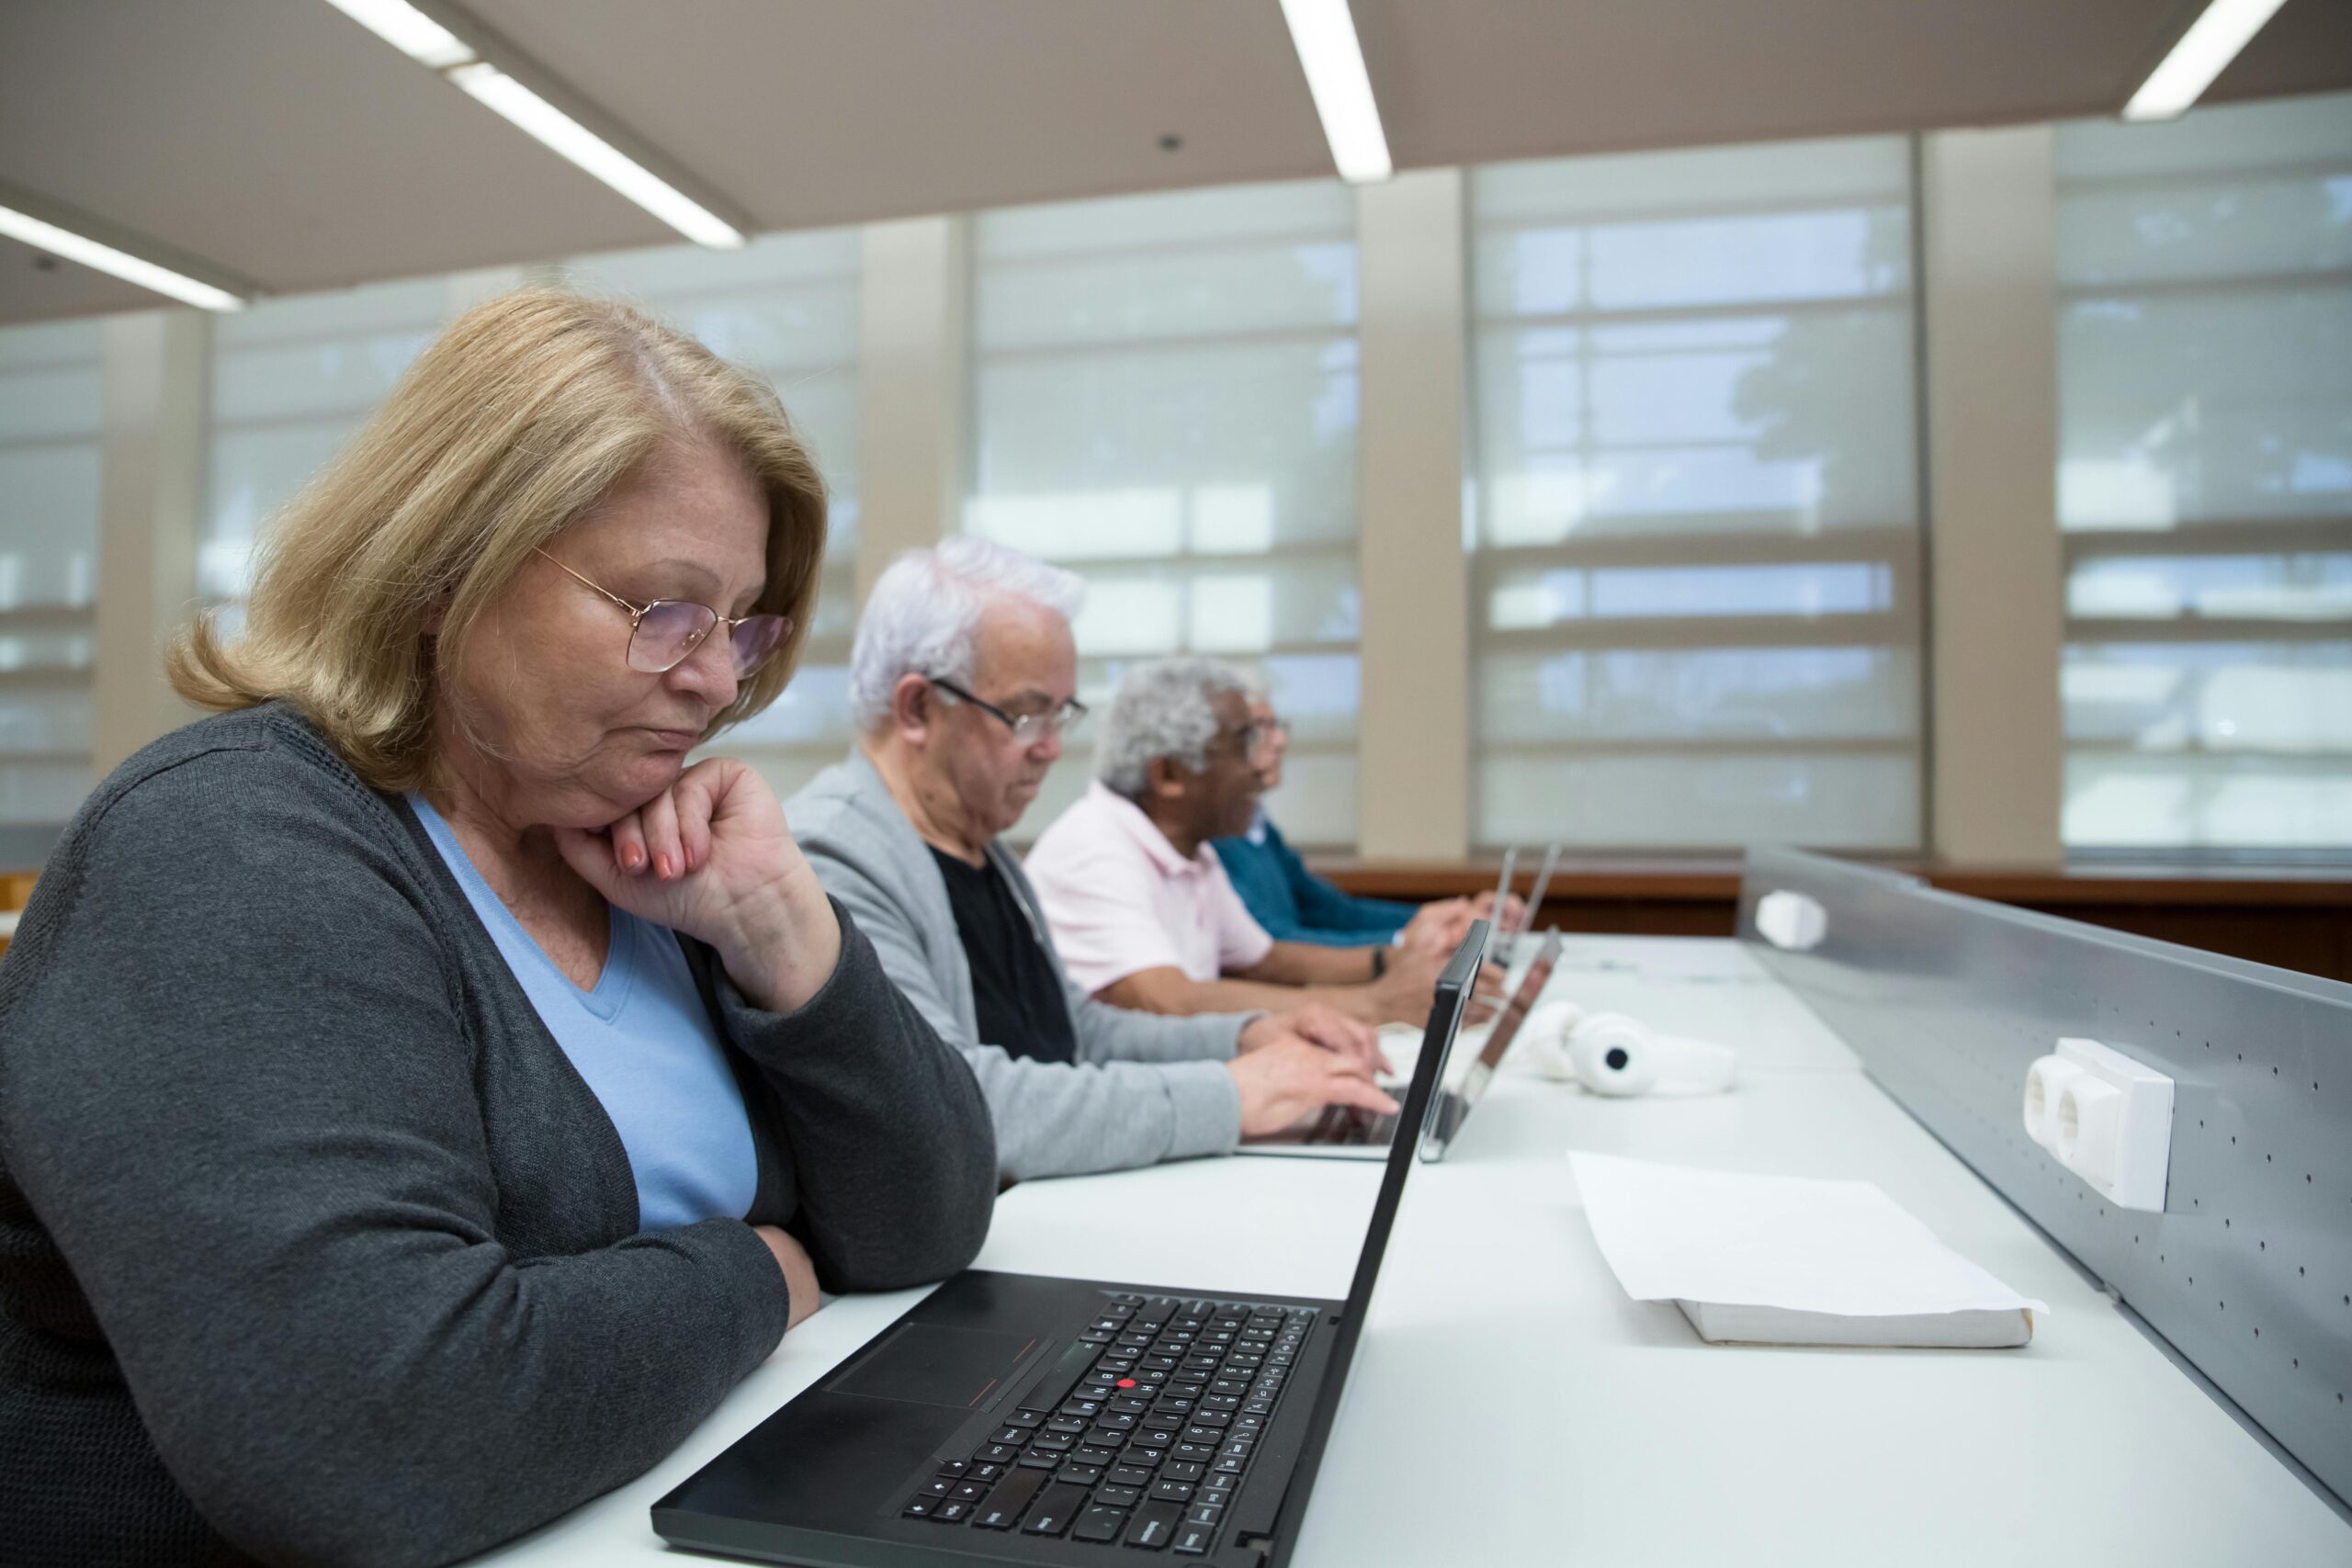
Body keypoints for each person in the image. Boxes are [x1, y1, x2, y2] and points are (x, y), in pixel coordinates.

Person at [0, 290, 995, 1567]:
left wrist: (781, 932)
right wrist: (756, 1276)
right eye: (662, 609)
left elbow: (927, 1215)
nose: (715, 679)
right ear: (439, 572)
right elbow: (366, 1434)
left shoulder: (645, 848)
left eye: (743, 624)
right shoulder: (226, 844)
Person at [788, 538, 1397, 1182]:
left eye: (1062, 714)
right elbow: (959, 1101)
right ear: (917, 708)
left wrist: (1244, 1037)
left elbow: (1076, 1032)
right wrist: (1231, 1093)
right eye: (1026, 714)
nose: (1052, 748)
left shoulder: (982, 847)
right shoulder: (834, 859)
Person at [1025, 658, 1502, 1023]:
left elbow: (1266, 960)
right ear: (1170, 775)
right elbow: (1166, 1000)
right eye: (1244, 745)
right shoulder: (1093, 849)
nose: (1261, 766)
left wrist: (1400, 959)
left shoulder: (1193, 851)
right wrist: (1376, 1004)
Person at [1212, 692, 1507, 950]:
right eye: (1262, 728)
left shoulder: (1259, 827)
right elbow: (1267, 945)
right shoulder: (1212, 833)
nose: (1280, 741)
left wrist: (1450, 916)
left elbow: (1333, 911)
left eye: (1277, 726)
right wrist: (1402, 942)